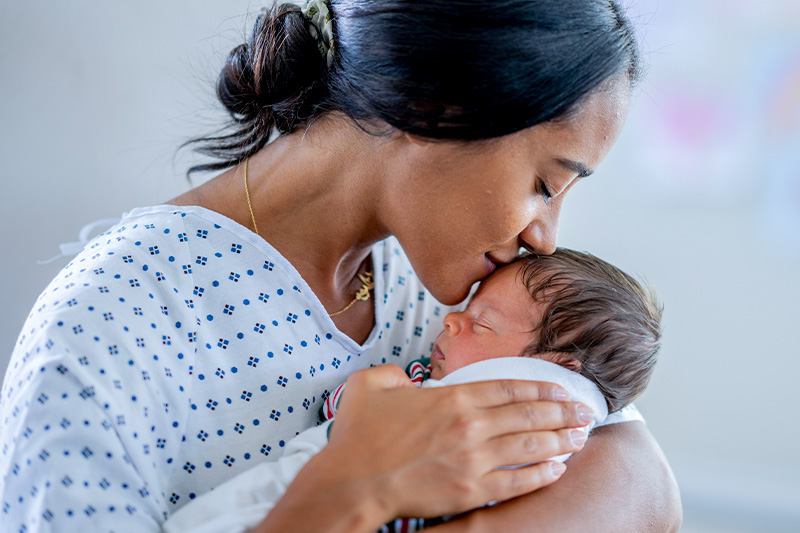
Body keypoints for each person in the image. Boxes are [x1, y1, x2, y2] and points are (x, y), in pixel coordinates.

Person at [0, 0, 682, 531]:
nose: (544, 236)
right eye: (544, 183)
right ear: (437, 104)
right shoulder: (107, 328)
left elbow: (641, 477)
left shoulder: (453, 285)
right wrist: (356, 485)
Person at [162, 248, 662, 533]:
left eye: (482, 324)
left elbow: (347, 408)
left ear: (554, 370)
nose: (451, 320)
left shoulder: (561, 428)